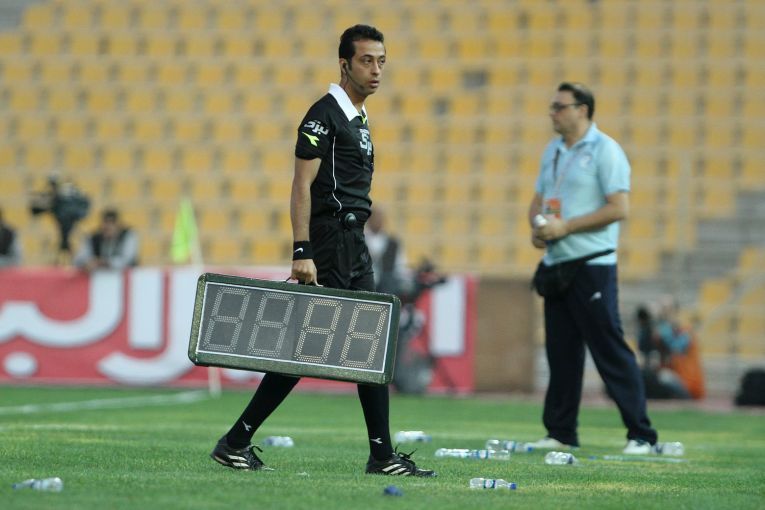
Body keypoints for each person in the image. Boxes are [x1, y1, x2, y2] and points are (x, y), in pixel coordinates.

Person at [209, 25, 435, 477]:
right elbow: (301, 186)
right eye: (367, 60)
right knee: (306, 347)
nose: (376, 70)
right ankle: (235, 441)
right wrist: (302, 249)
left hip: (355, 242)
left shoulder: (358, 118)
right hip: (330, 242)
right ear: (345, 64)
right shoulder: (323, 115)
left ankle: (380, 455)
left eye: (382, 61)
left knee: (370, 344)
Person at [527, 82, 659, 454]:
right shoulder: (552, 150)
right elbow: (538, 200)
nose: (552, 112)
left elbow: (619, 208)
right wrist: (538, 227)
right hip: (557, 262)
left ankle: (641, 435)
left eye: (559, 106)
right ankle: (561, 432)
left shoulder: (606, 150)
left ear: (582, 109)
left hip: (592, 264)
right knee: (561, 353)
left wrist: (565, 227)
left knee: (609, 349)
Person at [636, 297, 705, 400]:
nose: (663, 313)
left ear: (675, 312)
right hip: (671, 378)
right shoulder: (660, 329)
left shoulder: (685, 330)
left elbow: (676, 348)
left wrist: (663, 329)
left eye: (666, 309)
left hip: (688, 383)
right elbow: (643, 348)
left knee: (663, 376)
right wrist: (645, 326)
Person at [73, 208, 139, 271]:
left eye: (111, 224)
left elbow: (127, 260)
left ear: (119, 226)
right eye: (106, 223)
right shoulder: (93, 238)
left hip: (125, 277)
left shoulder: (128, 236)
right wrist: (87, 263)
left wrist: (104, 263)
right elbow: (78, 259)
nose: (108, 227)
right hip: (98, 277)